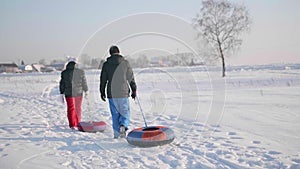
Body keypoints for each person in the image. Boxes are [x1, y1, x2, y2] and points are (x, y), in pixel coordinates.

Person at [100, 46, 137, 138]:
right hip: (123, 92)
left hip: (111, 93)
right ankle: (123, 125)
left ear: (110, 53)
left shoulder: (106, 64)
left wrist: (102, 92)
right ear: (119, 52)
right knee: (125, 112)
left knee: (115, 114)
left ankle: (117, 134)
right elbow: (130, 78)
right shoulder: (125, 63)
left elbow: (103, 79)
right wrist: (134, 89)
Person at [59, 57, 88, 130]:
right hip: (79, 92)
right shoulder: (81, 72)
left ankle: (72, 125)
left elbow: (62, 84)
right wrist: (86, 90)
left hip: (69, 93)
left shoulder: (64, 72)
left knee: (71, 108)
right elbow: (84, 82)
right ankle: (78, 123)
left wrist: (61, 93)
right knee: (78, 108)